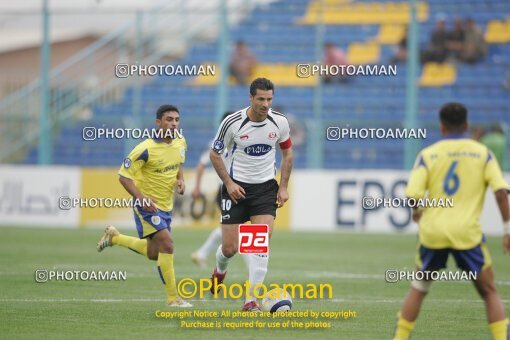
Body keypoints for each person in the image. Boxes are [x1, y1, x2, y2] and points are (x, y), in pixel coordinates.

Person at [393, 103, 510, 340]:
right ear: (467, 125)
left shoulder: (428, 154)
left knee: (419, 288)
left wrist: (417, 211)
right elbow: (500, 193)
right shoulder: (481, 153)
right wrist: (507, 229)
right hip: (466, 233)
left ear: (441, 126)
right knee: (489, 291)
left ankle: (400, 338)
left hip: (433, 232)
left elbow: (413, 194)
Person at [209, 78, 293, 311]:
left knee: (258, 244)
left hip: (265, 189)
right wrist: (228, 182)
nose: (266, 104)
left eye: (269, 99)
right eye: (261, 99)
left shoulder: (280, 122)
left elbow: (287, 155)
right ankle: (219, 270)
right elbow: (214, 154)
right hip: (235, 189)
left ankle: (250, 301)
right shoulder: (232, 123)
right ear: (250, 98)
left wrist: (283, 186)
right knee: (229, 249)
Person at [96, 104, 192, 308]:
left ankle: (115, 238)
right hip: (147, 207)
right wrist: (141, 198)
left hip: (166, 205)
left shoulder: (181, 141)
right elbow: (123, 176)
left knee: (154, 254)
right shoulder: (144, 149)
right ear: (158, 122)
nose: (173, 124)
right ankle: (173, 298)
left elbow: (179, 163)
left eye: (176, 120)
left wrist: (180, 180)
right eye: (169, 119)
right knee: (168, 244)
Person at [190, 111, 237, 269]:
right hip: (225, 191)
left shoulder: (241, 140)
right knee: (238, 229)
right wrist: (196, 187)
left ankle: (202, 253)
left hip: (237, 190)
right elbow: (202, 164)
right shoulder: (217, 142)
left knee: (229, 227)